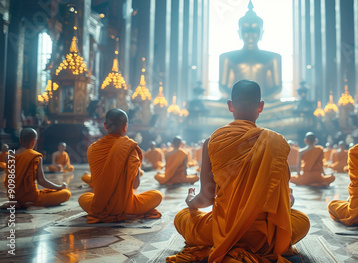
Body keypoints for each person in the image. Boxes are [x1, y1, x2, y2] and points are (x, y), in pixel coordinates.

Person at [167, 80, 310, 262]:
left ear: (229, 106)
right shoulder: (277, 143)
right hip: (265, 237)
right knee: (302, 220)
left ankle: (229, 243)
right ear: (261, 106)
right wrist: (287, 201)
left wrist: (190, 202)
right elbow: (282, 201)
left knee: (182, 217)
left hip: (222, 231)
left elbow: (205, 199)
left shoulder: (211, 142)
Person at [78, 109, 162, 223]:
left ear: (105, 126)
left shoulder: (92, 148)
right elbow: (135, 185)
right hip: (127, 207)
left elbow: (93, 181)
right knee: (157, 195)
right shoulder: (130, 148)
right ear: (125, 126)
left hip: (100, 207)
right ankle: (126, 212)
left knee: (83, 198)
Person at [219, 1, 282, 101]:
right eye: (246, 30)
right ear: (239, 32)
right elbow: (223, 88)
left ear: (262, 32)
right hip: (237, 104)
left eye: (255, 30)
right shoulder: (226, 57)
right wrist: (238, 102)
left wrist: (260, 101)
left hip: (264, 104)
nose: (250, 34)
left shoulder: (274, 58)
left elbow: (277, 88)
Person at [4, 128, 70, 207]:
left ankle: (18, 202)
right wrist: (59, 187)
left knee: (47, 191)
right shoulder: (35, 156)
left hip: (12, 196)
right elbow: (42, 181)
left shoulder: (8, 156)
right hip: (32, 197)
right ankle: (29, 203)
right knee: (66, 193)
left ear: (20, 140)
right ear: (34, 141)